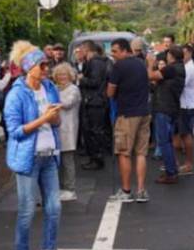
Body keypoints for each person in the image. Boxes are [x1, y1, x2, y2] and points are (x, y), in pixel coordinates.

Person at [5, 49, 72, 250]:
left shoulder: (50, 88)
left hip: (50, 155)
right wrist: (43, 118)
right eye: (42, 65)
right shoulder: (17, 94)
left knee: (54, 208)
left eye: (47, 65)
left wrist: (53, 117)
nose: (47, 69)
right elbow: (14, 131)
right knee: (27, 210)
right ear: (29, 67)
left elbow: (57, 122)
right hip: (27, 158)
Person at [108, 38, 152, 202]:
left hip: (127, 114)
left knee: (124, 152)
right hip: (144, 112)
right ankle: (141, 190)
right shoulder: (141, 63)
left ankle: (126, 191)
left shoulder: (118, 66)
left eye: (115, 51)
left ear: (125, 50)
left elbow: (110, 92)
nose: (113, 55)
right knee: (141, 152)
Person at [151, 47, 185, 184]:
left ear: (171, 56)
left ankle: (171, 173)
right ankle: (172, 170)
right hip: (172, 107)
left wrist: (149, 63)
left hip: (164, 108)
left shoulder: (171, 68)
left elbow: (152, 76)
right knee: (168, 142)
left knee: (164, 141)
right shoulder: (180, 68)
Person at [77, 41, 112, 170]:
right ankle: (94, 158)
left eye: (81, 50)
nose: (80, 53)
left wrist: (81, 79)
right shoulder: (96, 62)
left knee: (94, 131)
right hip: (94, 100)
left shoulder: (96, 62)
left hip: (95, 102)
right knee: (91, 131)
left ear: (87, 49)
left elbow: (95, 82)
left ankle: (97, 159)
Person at [53, 62, 81, 201]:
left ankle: (70, 189)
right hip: (56, 128)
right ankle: (60, 187)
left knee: (67, 160)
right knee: (58, 161)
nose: (62, 77)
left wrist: (53, 102)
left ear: (70, 75)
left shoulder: (73, 89)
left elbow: (68, 103)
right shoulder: (55, 88)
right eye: (59, 75)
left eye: (64, 74)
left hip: (68, 128)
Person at [176, 43, 194, 172]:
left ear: (190, 53)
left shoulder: (189, 68)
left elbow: (180, 84)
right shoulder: (186, 66)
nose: (182, 56)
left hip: (186, 105)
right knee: (181, 134)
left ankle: (189, 163)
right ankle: (179, 163)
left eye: (184, 53)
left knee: (186, 135)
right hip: (185, 104)